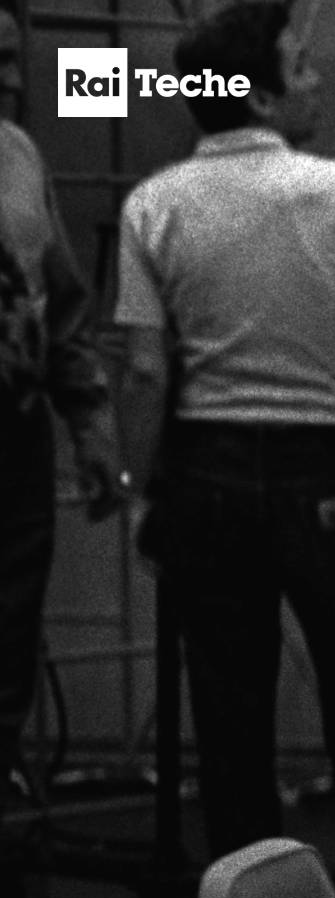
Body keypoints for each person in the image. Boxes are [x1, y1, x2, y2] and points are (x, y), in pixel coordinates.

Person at [116, 0, 335, 895]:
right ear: (266, 99)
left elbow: (146, 368)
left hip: (207, 470)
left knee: (230, 708)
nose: (315, 80)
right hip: (327, 466)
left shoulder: (150, 205)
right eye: (302, 65)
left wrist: (139, 482)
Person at [0, 10, 124, 801]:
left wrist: (92, 428)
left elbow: (65, 308)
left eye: (16, 60)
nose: (13, 80)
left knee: (8, 640)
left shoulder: (18, 155)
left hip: (13, 439)